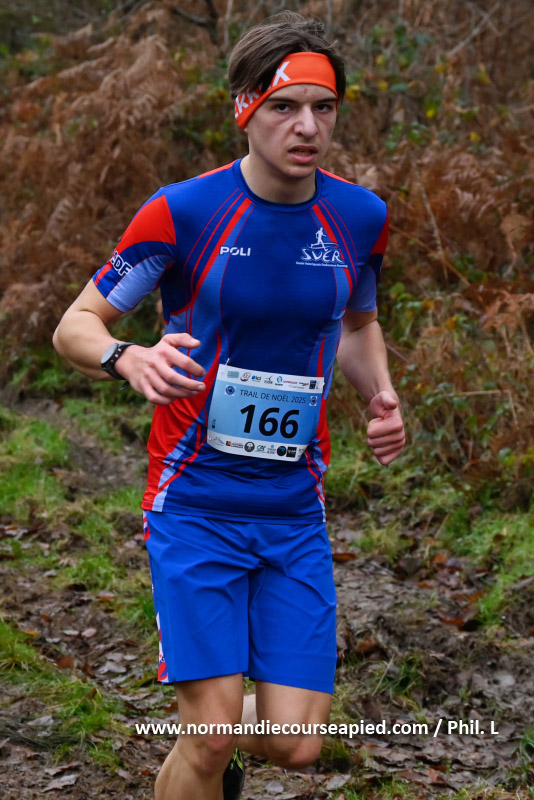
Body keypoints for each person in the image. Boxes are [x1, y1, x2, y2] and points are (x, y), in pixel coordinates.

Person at [53, 11, 405, 800]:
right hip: (195, 503)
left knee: (297, 745)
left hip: (293, 509)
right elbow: (75, 325)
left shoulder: (359, 218)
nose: (307, 126)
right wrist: (128, 356)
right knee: (211, 737)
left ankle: (202, 741)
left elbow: (356, 323)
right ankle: (202, 746)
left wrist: (379, 394)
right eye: (285, 106)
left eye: (324, 107)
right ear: (245, 106)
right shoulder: (184, 213)